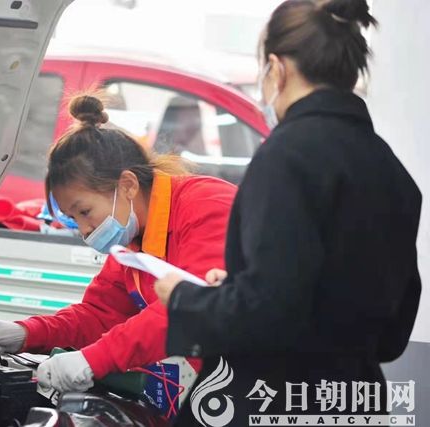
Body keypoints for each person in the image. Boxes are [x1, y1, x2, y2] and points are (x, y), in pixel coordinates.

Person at [154, 0, 422, 425]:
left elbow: (270, 309)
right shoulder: (390, 168)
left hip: (272, 399)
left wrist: (186, 298)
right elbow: (392, 332)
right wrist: (239, 288)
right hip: (356, 402)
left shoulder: (287, 156)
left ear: (277, 69)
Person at [0, 94, 237, 405]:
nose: (84, 230)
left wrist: (93, 359)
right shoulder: (134, 238)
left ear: (127, 185)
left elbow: (193, 307)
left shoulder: (208, 208)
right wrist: (25, 333)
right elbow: (99, 315)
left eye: (85, 211)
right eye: (73, 219)